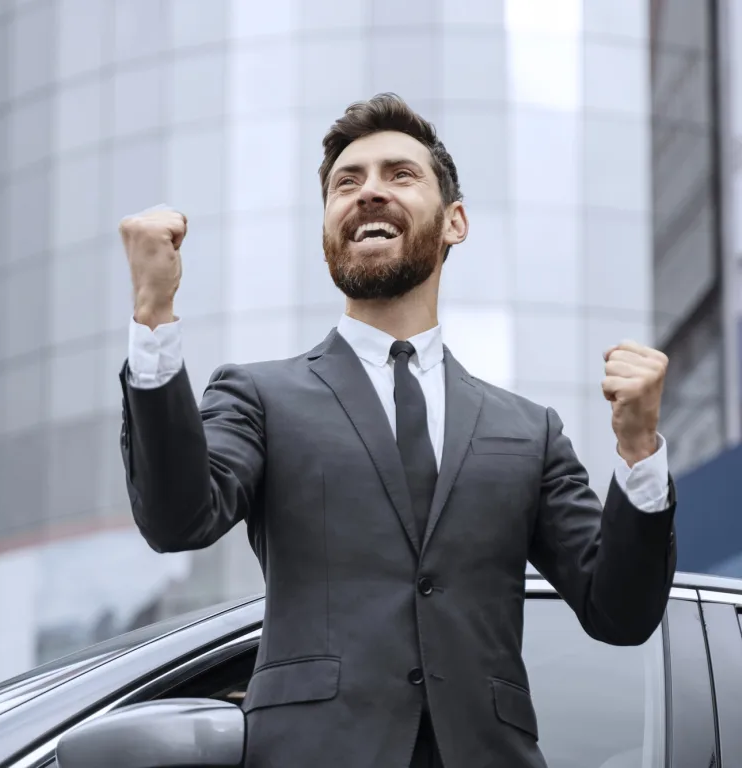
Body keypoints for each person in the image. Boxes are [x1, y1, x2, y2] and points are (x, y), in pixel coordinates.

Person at [118, 93, 676, 768]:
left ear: (455, 222)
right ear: (328, 226)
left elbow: (620, 611)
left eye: (399, 175)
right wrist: (155, 316)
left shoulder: (529, 431)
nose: (369, 192)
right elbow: (178, 518)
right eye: (345, 184)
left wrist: (640, 449)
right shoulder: (260, 395)